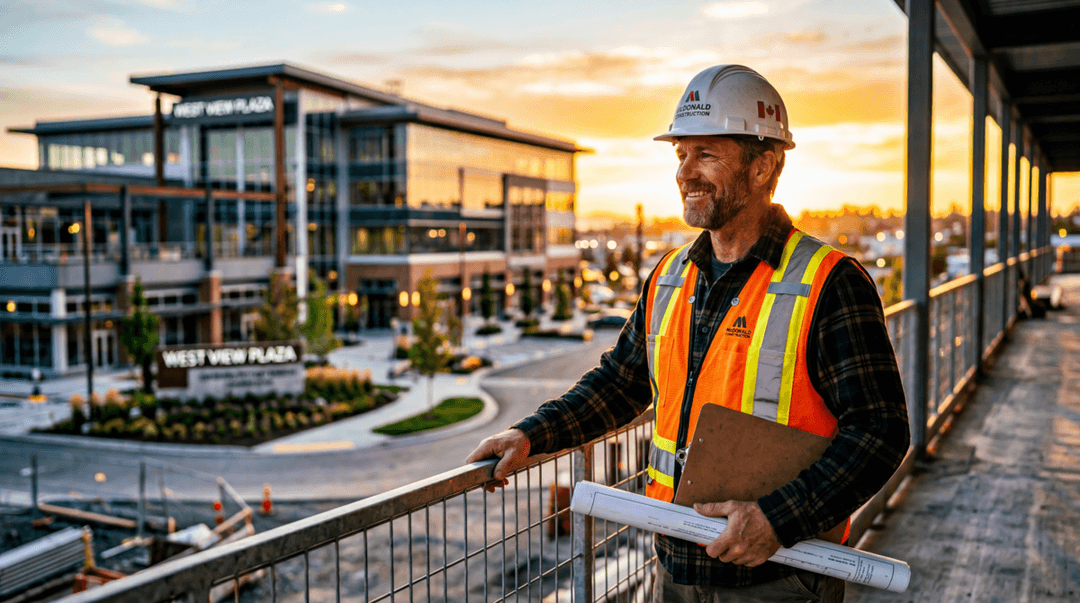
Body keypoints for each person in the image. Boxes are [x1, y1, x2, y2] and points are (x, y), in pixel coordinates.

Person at [466, 64, 910, 602]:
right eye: (680, 154)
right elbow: (620, 382)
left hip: (779, 574)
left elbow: (880, 432)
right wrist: (532, 435)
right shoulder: (671, 276)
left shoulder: (830, 283)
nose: (685, 172)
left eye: (706, 154)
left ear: (763, 166)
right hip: (675, 565)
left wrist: (775, 519)